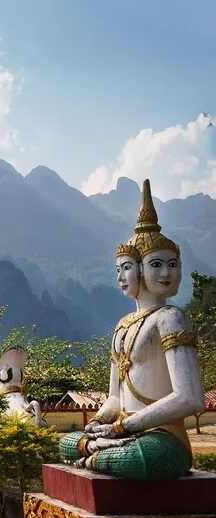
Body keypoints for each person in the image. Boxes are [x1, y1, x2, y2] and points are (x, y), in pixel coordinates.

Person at [59, 179, 205, 481]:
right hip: (121, 432)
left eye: (171, 264)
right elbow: (116, 397)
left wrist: (124, 428)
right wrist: (100, 422)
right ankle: (98, 451)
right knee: (67, 442)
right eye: (156, 265)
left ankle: (98, 454)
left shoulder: (170, 318)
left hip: (163, 439)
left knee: (141, 458)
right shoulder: (123, 326)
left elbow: (190, 398)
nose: (166, 273)